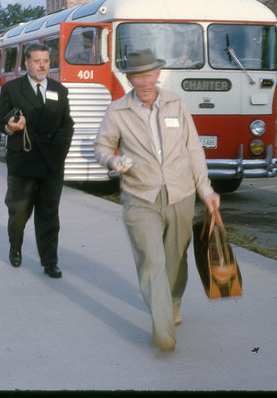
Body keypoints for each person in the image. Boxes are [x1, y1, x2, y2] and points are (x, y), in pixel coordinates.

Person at [93, 48, 220, 352]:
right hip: (140, 196)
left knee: (175, 259)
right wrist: (112, 161)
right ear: (129, 77)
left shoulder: (176, 103)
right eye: (138, 75)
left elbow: (193, 150)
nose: (145, 81)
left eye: (150, 74)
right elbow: (102, 147)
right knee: (153, 260)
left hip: (180, 194)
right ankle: (162, 329)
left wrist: (206, 190)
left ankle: (173, 304)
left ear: (158, 74)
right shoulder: (117, 111)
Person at [0, 43, 74, 279]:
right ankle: (15, 246)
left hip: (51, 162)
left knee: (49, 213)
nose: (42, 65)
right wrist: (9, 127)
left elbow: (66, 125)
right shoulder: (12, 88)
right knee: (18, 212)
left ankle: (50, 261)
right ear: (26, 63)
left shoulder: (60, 90)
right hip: (23, 160)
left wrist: (60, 152)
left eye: (46, 61)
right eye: (37, 61)